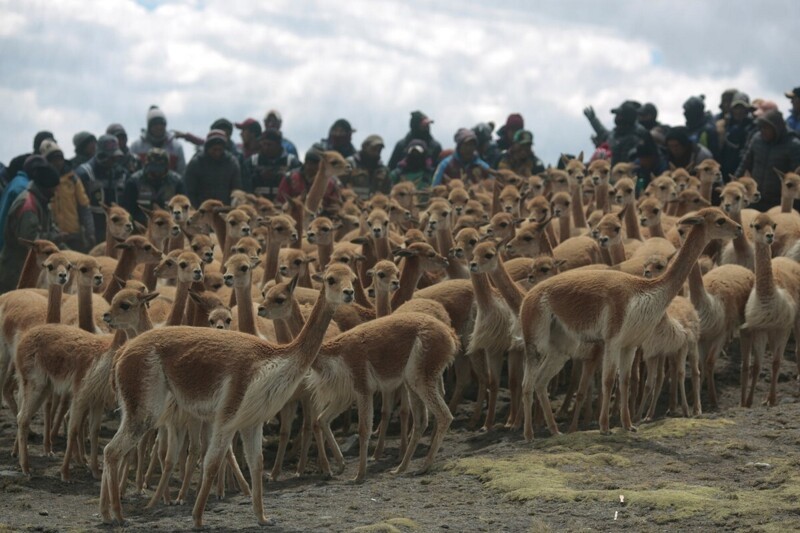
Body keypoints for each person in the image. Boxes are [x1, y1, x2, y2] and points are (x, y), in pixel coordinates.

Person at [0, 156, 61, 293]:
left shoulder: (41, 201)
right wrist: (56, 239)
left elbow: (50, 228)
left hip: (25, 267)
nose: (55, 192)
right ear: (45, 187)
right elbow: (29, 241)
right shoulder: (29, 206)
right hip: (15, 270)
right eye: (53, 188)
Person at [736, 109, 800, 211]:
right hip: (754, 198)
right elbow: (745, 163)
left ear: (777, 128)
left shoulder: (793, 145)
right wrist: (734, 181)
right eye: (761, 127)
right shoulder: (757, 139)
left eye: (766, 128)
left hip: (778, 204)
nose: (762, 130)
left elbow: (797, 177)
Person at [74, 134, 131, 243]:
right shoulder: (85, 174)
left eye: (115, 157)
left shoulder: (121, 173)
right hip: (93, 226)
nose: (113, 161)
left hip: (117, 227)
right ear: (101, 155)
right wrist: (87, 231)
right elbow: (80, 206)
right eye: (110, 157)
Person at [40, 140, 94, 252]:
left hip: (74, 236)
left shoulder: (72, 179)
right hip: (53, 237)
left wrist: (90, 232)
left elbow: (84, 206)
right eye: (53, 160)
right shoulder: (42, 183)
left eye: (59, 158)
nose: (58, 163)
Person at [122, 147, 186, 226]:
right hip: (140, 227)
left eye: (160, 170)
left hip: (170, 227)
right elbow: (127, 211)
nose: (156, 173)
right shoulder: (134, 182)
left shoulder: (177, 182)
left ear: (167, 168)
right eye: (153, 169)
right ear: (146, 165)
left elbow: (183, 209)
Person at [584, 101, 654, 166]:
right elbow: (603, 133)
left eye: (619, 115)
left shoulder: (633, 138)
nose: (616, 117)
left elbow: (621, 164)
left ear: (627, 117)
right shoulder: (616, 133)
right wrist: (593, 120)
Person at [184, 129, 242, 207]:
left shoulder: (231, 163)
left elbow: (236, 189)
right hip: (202, 210)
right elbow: (190, 191)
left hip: (225, 209)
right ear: (208, 148)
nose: (217, 153)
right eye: (214, 149)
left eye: (220, 150)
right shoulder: (196, 163)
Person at [277, 145, 342, 214]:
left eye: (315, 163)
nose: (309, 166)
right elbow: (280, 201)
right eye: (307, 162)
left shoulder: (332, 183)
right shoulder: (290, 178)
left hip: (323, 220)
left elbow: (336, 207)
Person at [243, 128, 300, 200]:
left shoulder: (291, 162)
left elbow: (299, 185)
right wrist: (258, 176)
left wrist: (285, 177)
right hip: (258, 205)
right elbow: (244, 185)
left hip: (284, 206)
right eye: (264, 144)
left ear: (278, 144)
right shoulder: (252, 161)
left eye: (269, 145)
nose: (266, 148)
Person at [130, 105, 186, 175]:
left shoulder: (176, 147)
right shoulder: (136, 147)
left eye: (161, 124)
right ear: (149, 126)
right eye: (155, 124)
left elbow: (182, 173)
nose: (159, 127)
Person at [719, 92, 755, 178]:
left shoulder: (752, 128)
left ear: (747, 110)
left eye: (742, 108)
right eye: (736, 108)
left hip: (742, 172)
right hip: (724, 170)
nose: (739, 111)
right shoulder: (724, 125)